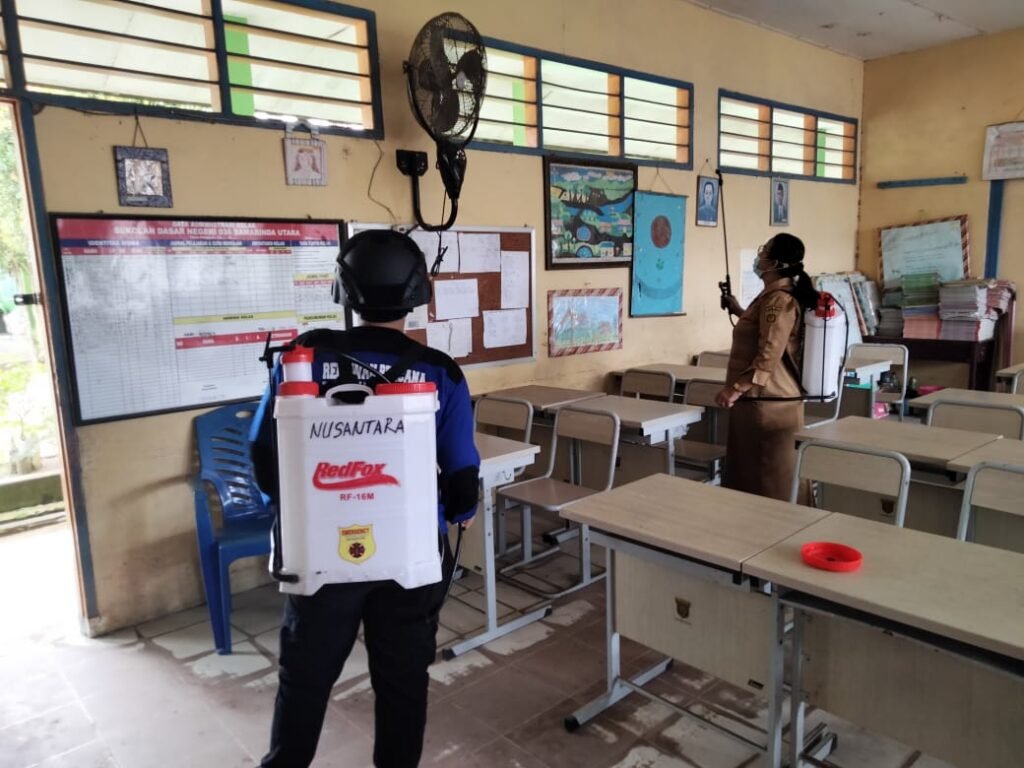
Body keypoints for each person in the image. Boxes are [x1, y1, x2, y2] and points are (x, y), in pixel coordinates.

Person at [251, 229, 481, 768]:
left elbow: (264, 455)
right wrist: (461, 513)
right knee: (402, 684)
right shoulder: (441, 371)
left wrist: (300, 513)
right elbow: (461, 477)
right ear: (418, 293)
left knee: (304, 680)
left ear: (344, 291)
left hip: (319, 555)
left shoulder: (300, 358)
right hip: (410, 559)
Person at [714, 233, 818, 500]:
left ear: (776, 263)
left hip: (768, 402)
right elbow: (763, 330)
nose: (759, 256)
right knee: (751, 475)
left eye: (765, 251)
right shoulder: (771, 297)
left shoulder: (779, 300)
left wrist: (736, 388)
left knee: (768, 481)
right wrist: (738, 309)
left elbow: (769, 353)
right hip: (760, 400)